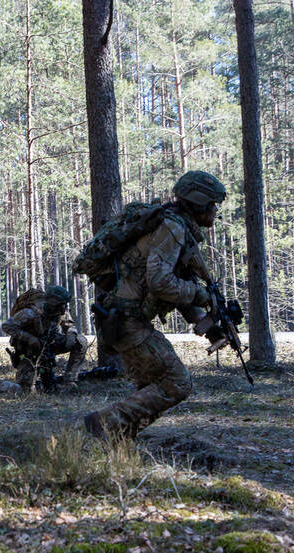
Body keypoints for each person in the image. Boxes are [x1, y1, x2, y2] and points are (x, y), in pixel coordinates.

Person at [83, 170, 227, 441]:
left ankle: (119, 443)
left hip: (124, 318)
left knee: (149, 387)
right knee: (177, 384)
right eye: (212, 204)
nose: (215, 211)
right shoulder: (171, 228)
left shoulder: (176, 227)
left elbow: (173, 284)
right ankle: (103, 424)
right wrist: (199, 294)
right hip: (127, 320)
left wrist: (202, 318)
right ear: (199, 203)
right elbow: (161, 282)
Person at [1, 286, 88, 393]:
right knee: (25, 390)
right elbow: (6, 326)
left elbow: (70, 325)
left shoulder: (61, 311)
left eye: (65, 305)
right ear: (53, 304)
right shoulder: (30, 313)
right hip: (31, 352)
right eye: (61, 305)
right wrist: (30, 338)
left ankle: (70, 380)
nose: (64, 309)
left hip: (50, 346)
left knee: (80, 341)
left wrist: (71, 334)